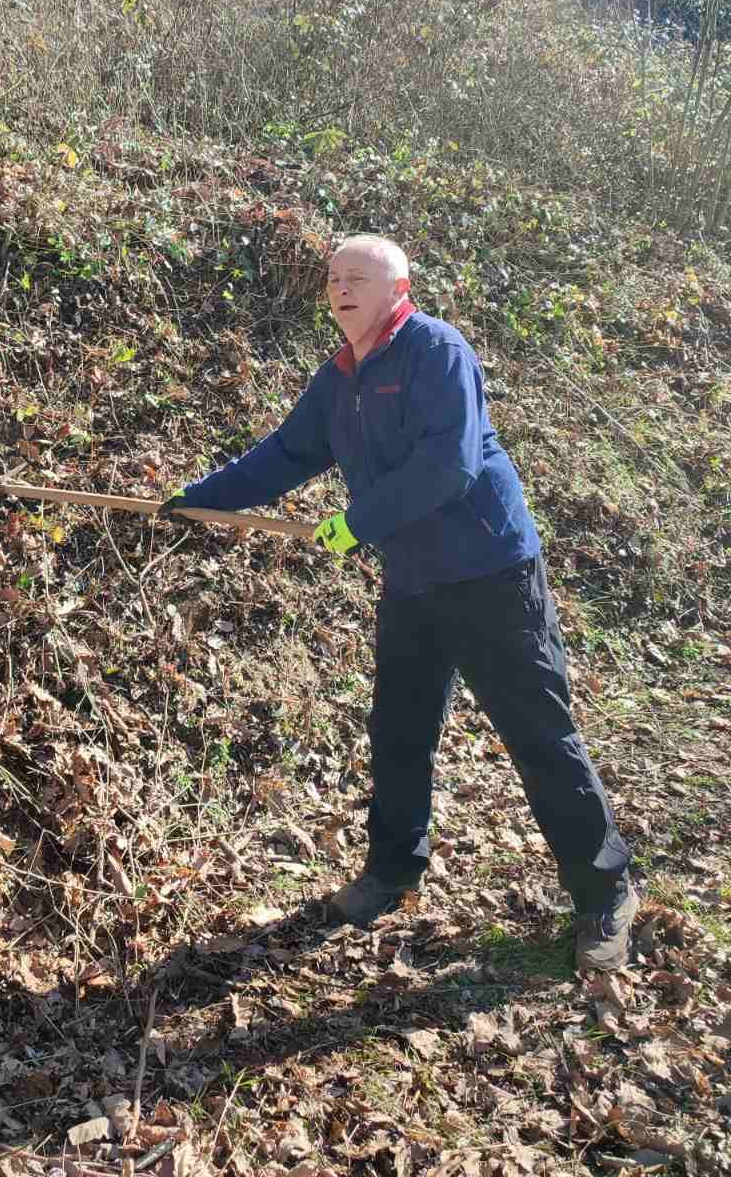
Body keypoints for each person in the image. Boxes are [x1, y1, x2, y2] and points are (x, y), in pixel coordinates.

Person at [161, 234, 638, 972]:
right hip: (414, 580)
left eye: (358, 277)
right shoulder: (339, 378)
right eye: (332, 278)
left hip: (489, 573)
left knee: (539, 735)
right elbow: (284, 455)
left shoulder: (436, 351)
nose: (340, 288)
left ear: (398, 288)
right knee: (400, 730)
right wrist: (197, 501)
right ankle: (392, 871)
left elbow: (448, 464)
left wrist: (357, 524)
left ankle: (605, 892)